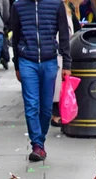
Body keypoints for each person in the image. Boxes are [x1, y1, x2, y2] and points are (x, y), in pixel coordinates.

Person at [11, 0, 71, 162]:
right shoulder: (18, 6)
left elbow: (64, 34)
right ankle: (37, 145)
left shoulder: (55, 4)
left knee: (46, 107)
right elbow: (15, 38)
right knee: (31, 104)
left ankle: (40, 139)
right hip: (27, 60)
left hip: (49, 60)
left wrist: (67, 63)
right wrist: (17, 65)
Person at [51, 0, 79, 128]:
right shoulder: (60, 9)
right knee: (58, 87)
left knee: (60, 87)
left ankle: (58, 114)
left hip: (62, 53)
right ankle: (56, 115)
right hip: (58, 53)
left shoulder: (69, 10)